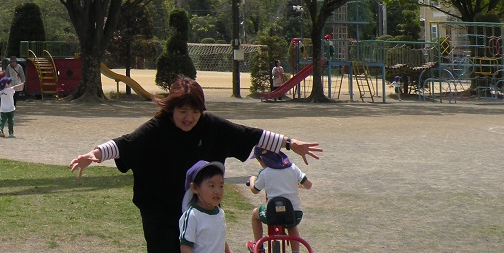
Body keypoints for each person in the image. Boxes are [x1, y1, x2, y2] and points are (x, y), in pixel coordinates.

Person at [69, 76, 321, 253]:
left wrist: (290, 143)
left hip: (200, 211)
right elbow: (126, 144)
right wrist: (95, 154)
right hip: (162, 214)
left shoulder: (211, 126)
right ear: (171, 110)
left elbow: (250, 135)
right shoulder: (158, 129)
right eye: (182, 111)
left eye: (195, 111)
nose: (189, 118)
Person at [247, 148, 312, 253]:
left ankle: (258, 246)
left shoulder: (265, 172)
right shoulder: (293, 168)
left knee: (255, 214)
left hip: (272, 214)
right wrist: (297, 185)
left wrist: (252, 180)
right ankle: (296, 251)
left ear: (262, 160)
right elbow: (308, 185)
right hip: (294, 214)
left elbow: (255, 190)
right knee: (292, 225)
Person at [178, 160, 233, 253]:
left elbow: (220, 239)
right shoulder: (192, 215)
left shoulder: (220, 213)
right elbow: (185, 247)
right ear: (195, 188)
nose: (217, 191)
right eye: (212, 186)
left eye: (221, 186)